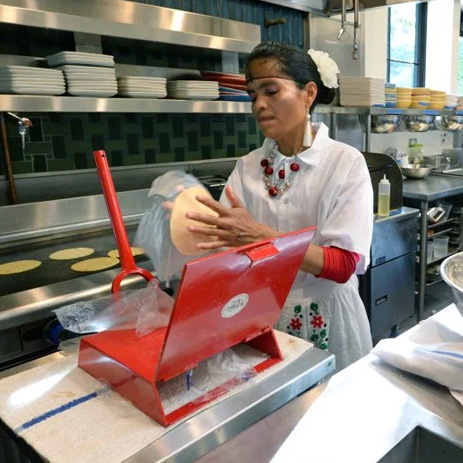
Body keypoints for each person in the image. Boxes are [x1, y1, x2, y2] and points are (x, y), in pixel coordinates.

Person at [185, 41, 374, 370]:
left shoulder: (344, 162)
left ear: (308, 93)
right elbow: (224, 248)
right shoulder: (247, 168)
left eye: (271, 91)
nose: (259, 105)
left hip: (328, 315)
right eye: (253, 95)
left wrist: (260, 237)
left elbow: (342, 264)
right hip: (263, 316)